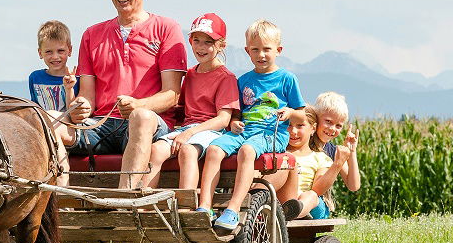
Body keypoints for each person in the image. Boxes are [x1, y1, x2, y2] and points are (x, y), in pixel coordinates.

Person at [66, 0, 188, 190]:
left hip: (150, 124)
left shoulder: (166, 28)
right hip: (100, 124)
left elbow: (173, 94)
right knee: (50, 121)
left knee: (140, 117)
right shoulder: (91, 34)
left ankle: (125, 198)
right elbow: (87, 96)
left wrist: (139, 105)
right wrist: (80, 106)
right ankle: (54, 201)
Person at [195, 19, 304, 231]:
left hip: (271, 134)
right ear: (247, 51)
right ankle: (205, 206)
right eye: (255, 50)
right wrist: (234, 122)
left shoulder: (287, 79)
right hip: (246, 131)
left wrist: (290, 113)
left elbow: (302, 115)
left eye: (267, 49)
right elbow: (237, 114)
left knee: (247, 150)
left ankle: (233, 209)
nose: (261, 55)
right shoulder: (244, 80)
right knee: (214, 149)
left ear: (278, 50)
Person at [142, 13, 238, 191]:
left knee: (187, 151)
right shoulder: (191, 74)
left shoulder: (226, 78)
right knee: (156, 150)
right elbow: (181, 108)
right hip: (187, 130)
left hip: (211, 132)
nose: (201, 47)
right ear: (190, 41)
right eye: (196, 41)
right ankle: (145, 202)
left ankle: (186, 203)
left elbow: (223, 120)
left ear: (222, 45)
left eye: (208, 42)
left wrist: (188, 133)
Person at [278, 106, 356, 221]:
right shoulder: (279, 153)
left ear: (313, 128)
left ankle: (294, 212)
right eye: (289, 125)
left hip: (311, 206)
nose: (293, 131)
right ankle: (290, 210)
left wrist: (338, 164)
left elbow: (318, 190)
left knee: (312, 195)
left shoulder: (320, 158)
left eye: (300, 125)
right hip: (285, 200)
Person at [27, 20, 79, 147]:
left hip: (67, 131)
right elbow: (35, 108)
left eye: (60, 51)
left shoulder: (76, 79)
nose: (55, 57)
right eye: (49, 52)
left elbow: (73, 113)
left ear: (70, 50)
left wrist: (69, 89)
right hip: (43, 131)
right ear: (40, 53)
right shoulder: (35, 77)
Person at [311, 90, 362, 199]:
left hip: (317, 201)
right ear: (316, 118)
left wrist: (352, 151)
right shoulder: (305, 143)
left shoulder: (334, 152)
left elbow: (353, 185)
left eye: (338, 126)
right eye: (328, 121)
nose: (332, 129)